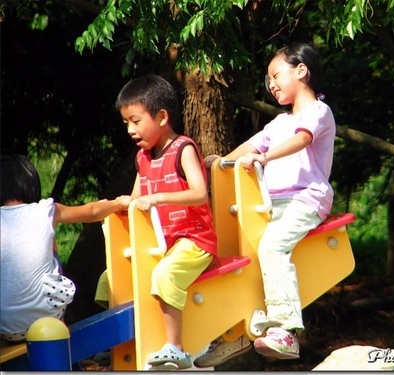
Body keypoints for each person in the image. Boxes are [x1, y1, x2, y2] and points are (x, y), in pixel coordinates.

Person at [195, 42, 336, 367]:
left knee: (272, 248)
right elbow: (250, 145)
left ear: (301, 70)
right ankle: (239, 332)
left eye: (276, 75)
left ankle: (287, 331)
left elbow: (302, 139)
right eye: (268, 79)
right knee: (247, 260)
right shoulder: (278, 123)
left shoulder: (318, 112)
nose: (270, 84)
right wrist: (215, 163)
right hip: (274, 203)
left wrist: (266, 157)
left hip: (306, 198)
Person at [116, 74, 217, 370]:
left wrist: (158, 198)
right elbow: (136, 199)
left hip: (195, 240)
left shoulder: (183, 148)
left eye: (136, 121)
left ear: (162, 116)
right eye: (126, 124)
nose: (131, 130)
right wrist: (120, 206)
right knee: (111, 279)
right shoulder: (143, 158)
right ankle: (123, 341)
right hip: (163, 243)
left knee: (165, 275)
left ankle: (176, 346)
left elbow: (199, 193)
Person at [0, 154, 131, 343]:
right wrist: (117, 203)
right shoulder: (45, 210)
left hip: (5, 329)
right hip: (46, 320)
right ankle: (60, 318)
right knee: (49, 241)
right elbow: (92, 212)